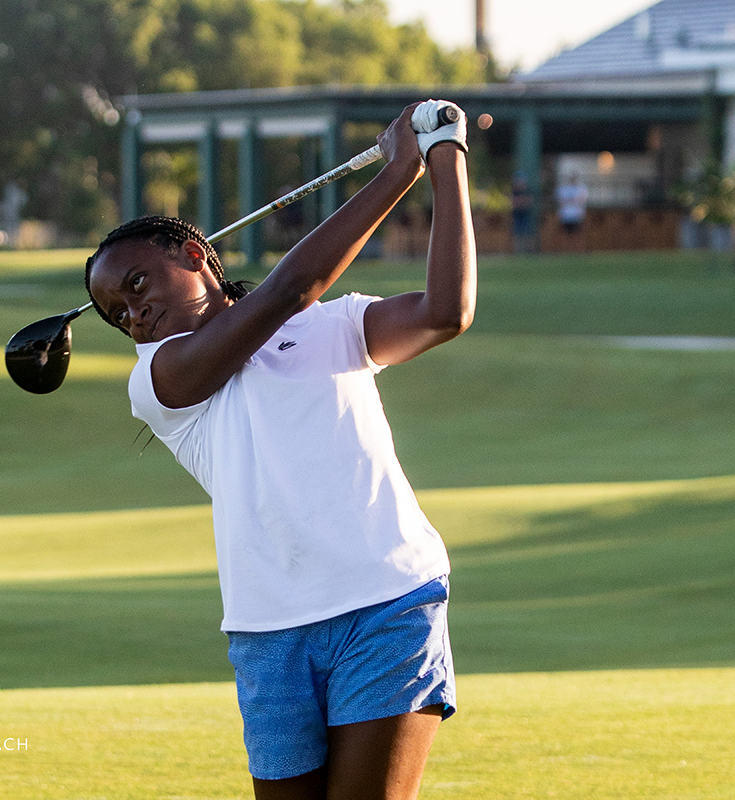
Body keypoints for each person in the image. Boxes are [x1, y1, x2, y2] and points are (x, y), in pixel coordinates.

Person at [84, 101, 474, 799]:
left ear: (196, 255)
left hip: (386, 602)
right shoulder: (159, 381)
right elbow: (287, 290)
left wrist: (446, 156)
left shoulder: (335, 326)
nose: (133, 313)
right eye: (117, 313)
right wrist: (396, 171)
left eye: (137, 285)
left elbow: (446, 313)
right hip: (269, 635)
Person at [556, 172, 588, 250]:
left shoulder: (581, 189)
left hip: (577, 215)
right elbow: (561, 201)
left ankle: (578, 250)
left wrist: (570, 201)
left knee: (577, 234)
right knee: (565, 234)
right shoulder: (563, 189)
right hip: (566, 215)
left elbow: (581, 200)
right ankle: (566, 250)